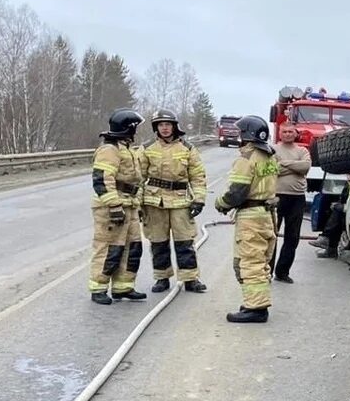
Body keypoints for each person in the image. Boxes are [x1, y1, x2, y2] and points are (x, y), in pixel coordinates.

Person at [215, 115, 279, 323]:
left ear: (246, 135)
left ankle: (256, 308)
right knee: (260, 261)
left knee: (250, 261)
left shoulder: (247, 158)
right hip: (266, 215)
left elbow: (237, 192)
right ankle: (254, 300)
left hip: (250, 216)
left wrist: (221, 204)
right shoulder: (270, 156)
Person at [141, 108, 208, 294]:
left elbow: (198, 176)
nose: (164, 128)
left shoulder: (187, 148)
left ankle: (190, 280)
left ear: (174, 126)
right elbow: (138, 178)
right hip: (155, 203)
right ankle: (162, 278)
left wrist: (199, 200)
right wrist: (139, 204)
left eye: (167, 125)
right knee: (158, 242)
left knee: (185, 242)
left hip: (180, 203)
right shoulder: (147, 149)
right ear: (156, 127)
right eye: (160, 125)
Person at [89, 108, 147, 305]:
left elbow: (135, 180)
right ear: (127, 128)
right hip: (112, 208)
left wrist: (136, 203)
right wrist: (114, 206)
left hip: (129, 205)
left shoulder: (127, 148)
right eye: (134, 128)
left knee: (132, 248)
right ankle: (99, 288)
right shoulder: (109, 149)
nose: (136, 131)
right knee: (108, 249)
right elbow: (102, 180)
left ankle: (123, 287)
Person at [272, 123, 311, 283]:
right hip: (276, 197)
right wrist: (295, 166)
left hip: (297, 198)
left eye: (290, 132)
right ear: (280, 134)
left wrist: (283, 163)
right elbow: (273, 169)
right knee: (271, 235)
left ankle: (282, 272)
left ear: (296, 134)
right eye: (284, 131)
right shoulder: (272, 150)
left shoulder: (302, 150)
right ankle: (266, 270)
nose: (287, 134)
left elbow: (306, 167)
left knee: (292, 237)